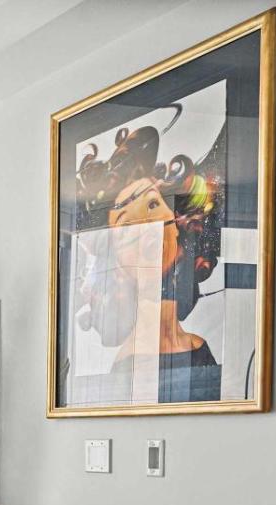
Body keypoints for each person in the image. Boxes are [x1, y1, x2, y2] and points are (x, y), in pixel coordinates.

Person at [71, 121, 226, 403]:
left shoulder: (200, 348)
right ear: (116, 260)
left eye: (153, 205)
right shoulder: (129, 364)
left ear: (176, 225)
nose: (147, 226)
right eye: (127, 224)